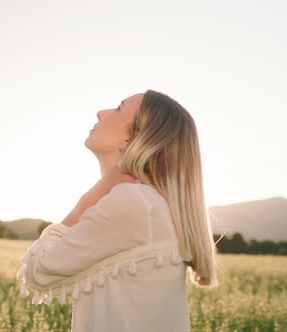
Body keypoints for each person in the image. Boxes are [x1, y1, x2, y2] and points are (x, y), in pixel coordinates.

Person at [16, 90, 220, 331]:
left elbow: (39, 272)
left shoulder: (134, 202)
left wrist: (90, 198)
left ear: (133, 138)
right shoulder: (152, 203)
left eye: (118, 108)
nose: (101, 113)